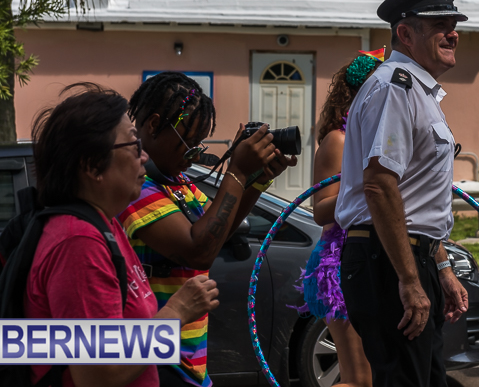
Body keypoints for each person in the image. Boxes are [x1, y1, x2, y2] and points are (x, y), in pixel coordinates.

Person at [27, 84, 219, 387]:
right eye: (133, 146)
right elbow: (100, 374)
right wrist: (176, 312)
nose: (144, 158)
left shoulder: (104, 226)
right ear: (92, 165)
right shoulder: (78, 244)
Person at [119, 72, 296, 387]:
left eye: (199, 144)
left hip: (189, 359)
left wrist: (255, 179)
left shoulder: (179, 183)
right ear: (154, 124)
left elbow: (216, 235)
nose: (195, 154)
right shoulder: (136, 189)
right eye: (188, 144)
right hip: (155, 359)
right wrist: (238, 171)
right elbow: (198, 250)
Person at [334, 0, 470, 387]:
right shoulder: (396, 87)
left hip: (408, 254)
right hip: (387, 259)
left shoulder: (420, 92)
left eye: (454, 23)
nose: (453, 33)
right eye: (440, 25)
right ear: (405, 33)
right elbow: (379, 185)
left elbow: (417, 195)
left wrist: (440, 267)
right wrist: (410, 280)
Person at [295, 51, 384, 387]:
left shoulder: (373, 139)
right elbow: (320, 210)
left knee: (373, 378)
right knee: (359, 380)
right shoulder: (339, 140)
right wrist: (370, 186)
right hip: (339, 267)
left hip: (369, 260)